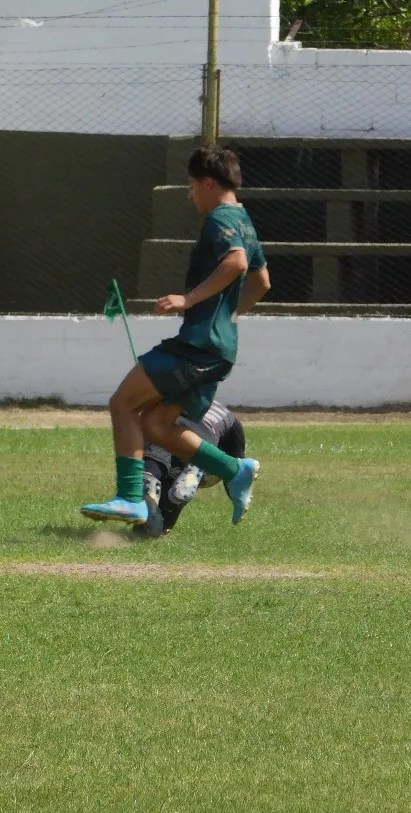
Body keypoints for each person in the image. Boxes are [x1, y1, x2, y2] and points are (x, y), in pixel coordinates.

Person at [81, 146, 270, 527]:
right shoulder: (245, 219)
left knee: (123, 402)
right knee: (157, 425)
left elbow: (237, 263)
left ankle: (131, 498)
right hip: (218, 346)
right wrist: (228, 317)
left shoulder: (221, 217)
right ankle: (234, 470)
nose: (189, 195)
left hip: (198, 346)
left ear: (207, 183)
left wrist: (189, 300)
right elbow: (262, 282)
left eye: (191, 186)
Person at [137, 401, 246, 537]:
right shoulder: (230, 418)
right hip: (202, 444)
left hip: (167, 429)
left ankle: (150, 475)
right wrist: (237, 500)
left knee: (156, 454)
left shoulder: (179, 396)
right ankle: (187, 483)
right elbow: (236, 472)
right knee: (172, 493)